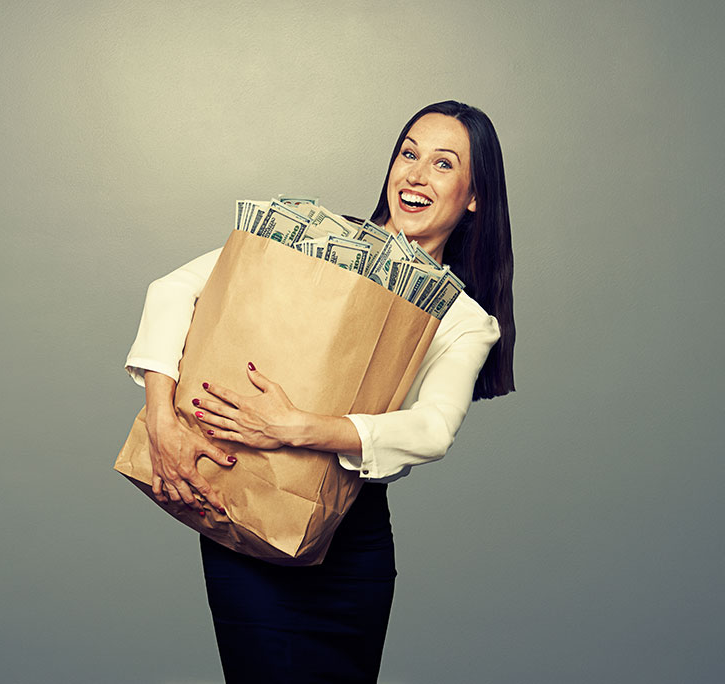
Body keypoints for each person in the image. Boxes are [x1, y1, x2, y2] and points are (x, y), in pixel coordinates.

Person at [124, 100, 515, 683]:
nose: (414, 174)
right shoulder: (313, 246)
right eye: (408, 153)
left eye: (442, 164)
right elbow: (173, 290)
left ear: (475, 193)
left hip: (352, 544)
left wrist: (296, 426)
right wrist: (162, 418)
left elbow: (432, 429)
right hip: (249, 511)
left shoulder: (463, 318)